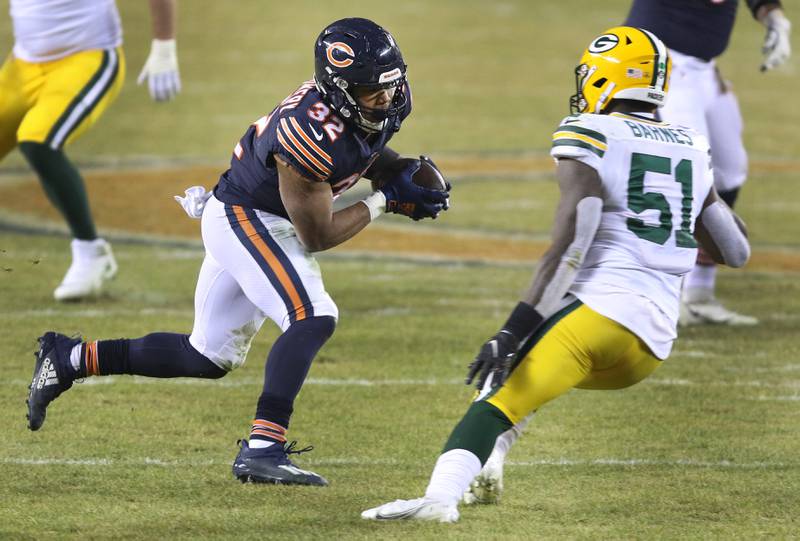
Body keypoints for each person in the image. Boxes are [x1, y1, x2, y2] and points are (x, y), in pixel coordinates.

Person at [26, 17, 451, 487]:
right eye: (373, 90)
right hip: (248, 218)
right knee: (312, 316)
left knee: (205, 356)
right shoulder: (304, 134)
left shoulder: (379, 102)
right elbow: (317, 235)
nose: (387, 98)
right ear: (340, 89)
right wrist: (384, 200)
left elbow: (364, 151)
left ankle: (68, 359)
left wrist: (395, 172)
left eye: (390, 85)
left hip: (260, 216)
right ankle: (263, 448)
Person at [362, 26, 751, 522]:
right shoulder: (692, 145)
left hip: (600, 318)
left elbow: (573, 241)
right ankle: (494, 458)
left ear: (605, 78)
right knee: (523, 381)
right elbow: (734, 251)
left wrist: (512, 328)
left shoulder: (588, 132)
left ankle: (440, 499)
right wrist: (701, 188)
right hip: (651, 345)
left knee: (499, 389)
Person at [0, 0, 181, 301]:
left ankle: (90, 252)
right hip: (23, 64)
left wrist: (164, 47)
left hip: (87, 58)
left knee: (38, 139)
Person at [625, 0, 791, 326]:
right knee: (688, 174)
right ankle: (664, 293)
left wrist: (775, 18)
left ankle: (700, 292)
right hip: (664, 63)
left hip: (703, 68)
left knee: (730, 170)